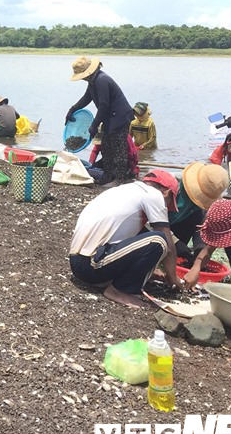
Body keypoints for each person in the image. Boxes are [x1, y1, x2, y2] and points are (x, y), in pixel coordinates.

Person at [68, 169, 183, 308]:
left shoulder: (124, 190)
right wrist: (174, 279)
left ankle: (111, 281)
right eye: (168, 203)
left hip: (78, 262)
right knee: (160, 240)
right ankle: (119, 291)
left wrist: (148, 270)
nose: (166, 208)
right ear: (167, 193)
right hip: (91, 265)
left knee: (147, 235)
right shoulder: (154, 195)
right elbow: (169, 247)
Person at [66, 56, 134, 186]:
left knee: (118, 149)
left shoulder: (101, 80)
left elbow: (104, 105)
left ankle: (119, 180)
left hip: (119, 117)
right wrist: (72, 109)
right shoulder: (93, 81)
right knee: (106, 148)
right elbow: (87, 98)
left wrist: (94, 125)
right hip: (109, 117)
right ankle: (107, 177)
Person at [169, 161, 228, 261]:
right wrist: (175, 242)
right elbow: (151, 221)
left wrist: (199, 246)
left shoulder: (205, 202)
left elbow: (201, 226)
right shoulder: (169, 186)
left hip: (179, 227)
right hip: (155, 228)